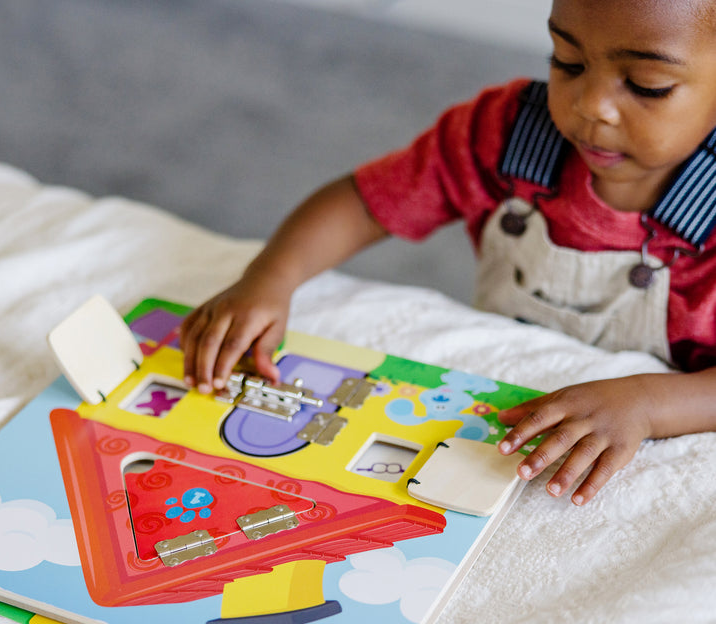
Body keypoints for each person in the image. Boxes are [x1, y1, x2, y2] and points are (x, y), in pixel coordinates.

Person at [181, 0, 716, 506]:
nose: (590, 105)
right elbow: (365, 204)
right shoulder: (507, 133)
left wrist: (647, 404)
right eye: (568, 61)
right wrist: (271, 277)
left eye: (648, 85)